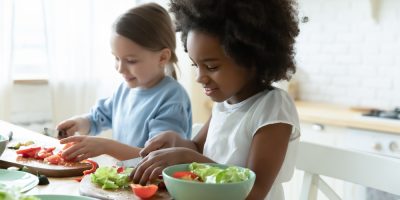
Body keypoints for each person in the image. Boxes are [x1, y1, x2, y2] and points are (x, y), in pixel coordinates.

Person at [131, 0, 300, 199]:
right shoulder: (224, 104)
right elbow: (197, 149)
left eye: (211, 67)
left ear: (251, 59)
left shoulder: (272, 107)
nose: (199, 77)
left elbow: (254, 192)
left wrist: (189, 159)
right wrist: (177, 142)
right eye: (196, 66)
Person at [56, 3, 192, 162]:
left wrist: (106, 146)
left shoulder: (172, 98)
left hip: (155, 185)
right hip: (124, 181)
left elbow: (158, 158)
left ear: (162, 58)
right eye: (116, 58)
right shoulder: (124, 90)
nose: (120, 69)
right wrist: (78, 123)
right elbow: (97, 118)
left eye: (131, 61)